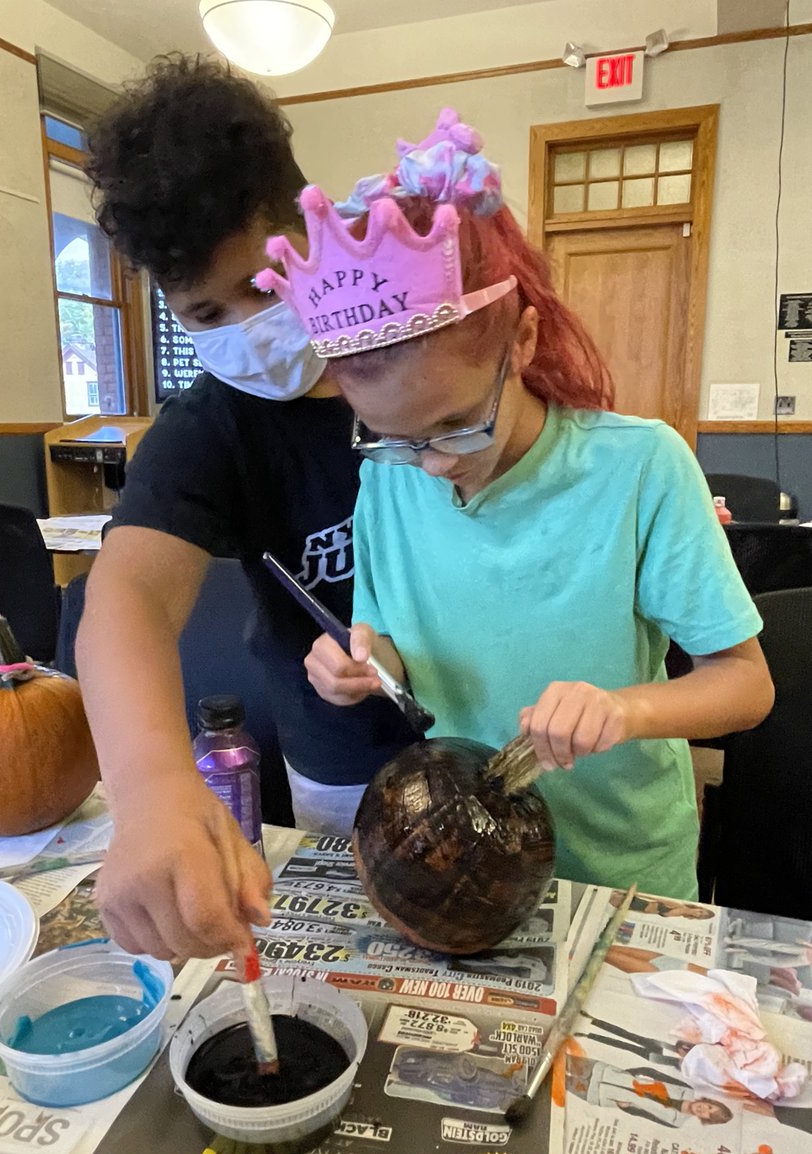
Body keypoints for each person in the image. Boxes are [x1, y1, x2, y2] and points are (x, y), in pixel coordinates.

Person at [262, 108, 774, 898]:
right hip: (467, 866)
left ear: (524, 343)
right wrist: (364, 666)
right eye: (390, 437)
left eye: (454, 426)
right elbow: (392, 643)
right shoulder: (387, 478)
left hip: (616, 867)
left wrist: (622, 710)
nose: (428, 465)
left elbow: (745, 685)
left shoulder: (638, 467)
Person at [78, 56, 414, 961]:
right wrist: (149, 787)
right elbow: (130, 598)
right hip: (337, 763)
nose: (245, 330)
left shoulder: (426, 355)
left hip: (499, 725)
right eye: (202, 312)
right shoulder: (211, 428)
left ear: (318, 231)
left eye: (263, 290)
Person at [565, 1058, 732, 1127]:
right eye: (709, 1107)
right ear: (709, 1102)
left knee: (558, 1080)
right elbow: (652, 1073)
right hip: (606, 1073)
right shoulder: (686, 1090)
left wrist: (626, 1108)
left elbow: (642, 1114)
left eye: (708, 1115)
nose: (703, 1109)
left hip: (602, 1094)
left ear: (704, 1120)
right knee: (562, 1059)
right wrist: (626, 1073)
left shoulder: (676, 1122)